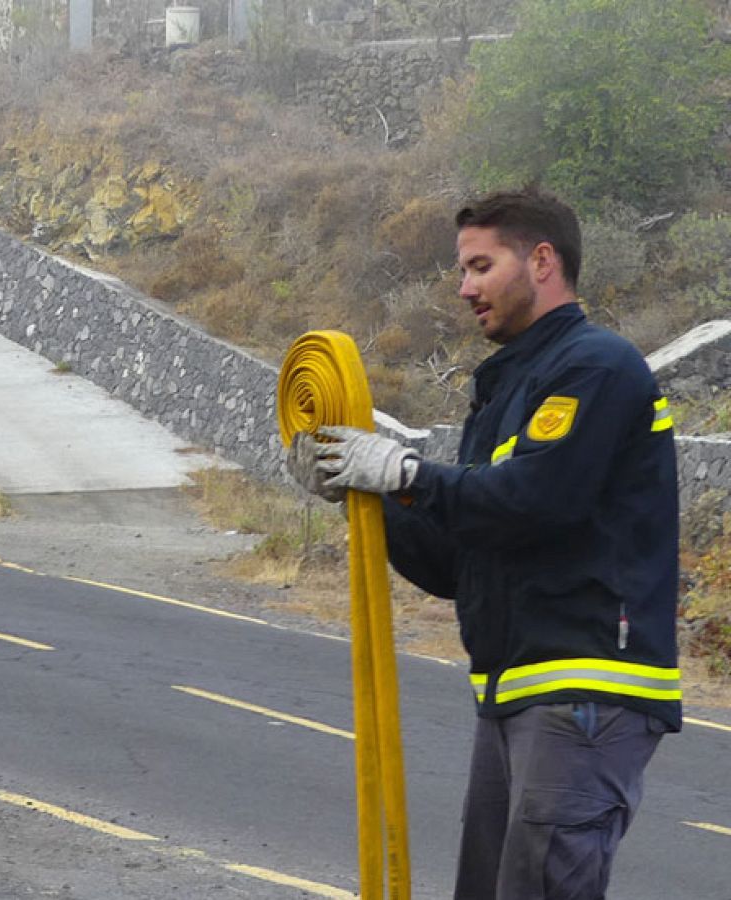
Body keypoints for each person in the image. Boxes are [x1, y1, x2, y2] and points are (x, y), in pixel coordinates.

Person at [287, 188, 679, 899]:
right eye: (461, 271)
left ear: (541, 259)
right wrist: (364, 497)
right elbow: (453, 563)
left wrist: (406, 472)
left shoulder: (596, 367)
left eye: (479, 266)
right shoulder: (506, 391)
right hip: (515, 693)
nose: (464, 289)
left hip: (584, 688)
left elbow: (538, 501)